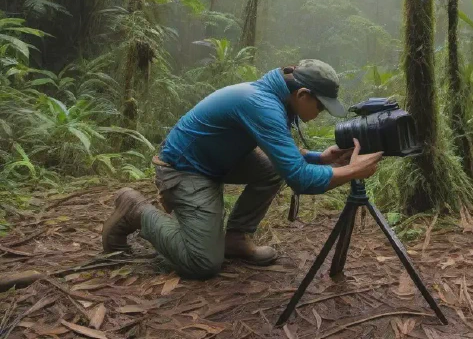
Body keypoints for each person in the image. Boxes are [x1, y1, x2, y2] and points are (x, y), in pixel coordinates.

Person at [101, 59, 383, 279]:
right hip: (184, 168)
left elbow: (281, 152)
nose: (319, 114)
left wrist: (319, 158)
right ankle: (135, 210)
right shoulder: (262, 104)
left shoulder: (274, 98)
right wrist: (352, 171)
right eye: (320, 107)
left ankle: (235, 239)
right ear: (303, 94)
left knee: (274, 167)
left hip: (213, 160)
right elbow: (300, 180)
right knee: (202, 264)